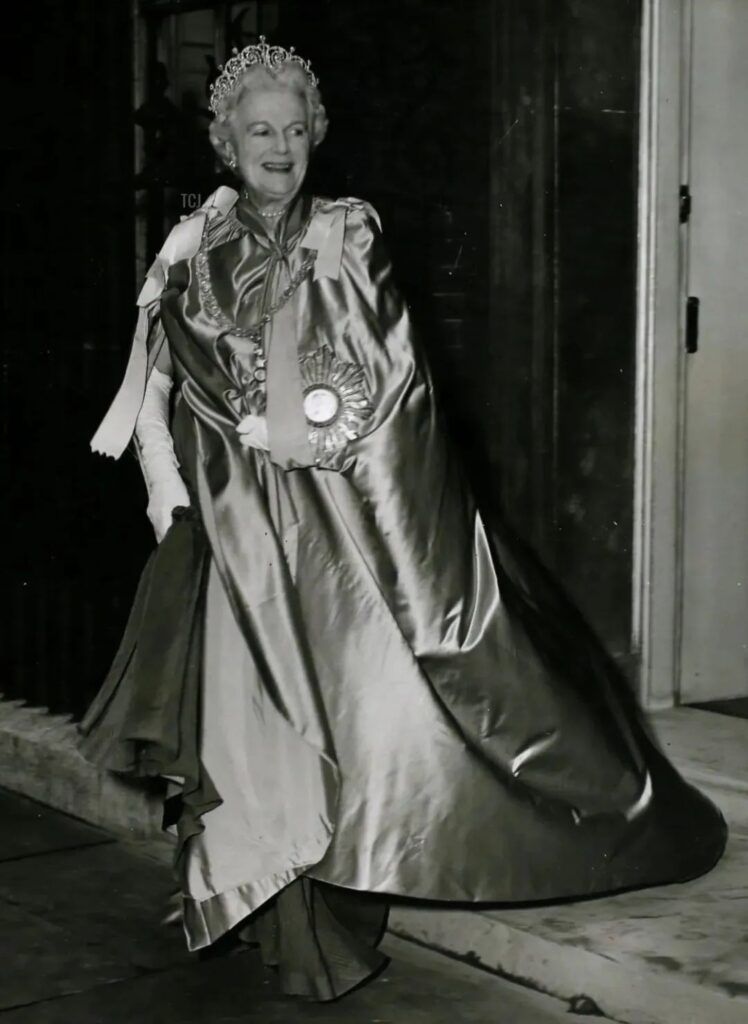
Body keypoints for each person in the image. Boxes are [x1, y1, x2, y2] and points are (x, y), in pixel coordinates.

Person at [79, 37, 727, 1003]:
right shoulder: (192, 247)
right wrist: (171, 491)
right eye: (261, 130)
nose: (281, 147)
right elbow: (161, 385)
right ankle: (269, 915)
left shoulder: (346, 232)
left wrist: (307, 429)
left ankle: (328, 918)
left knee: (346, 712)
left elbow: (388, 381)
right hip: (231, 537)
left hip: (334, 529)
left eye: (297, 130)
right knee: (247, 729)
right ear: (224, 142)